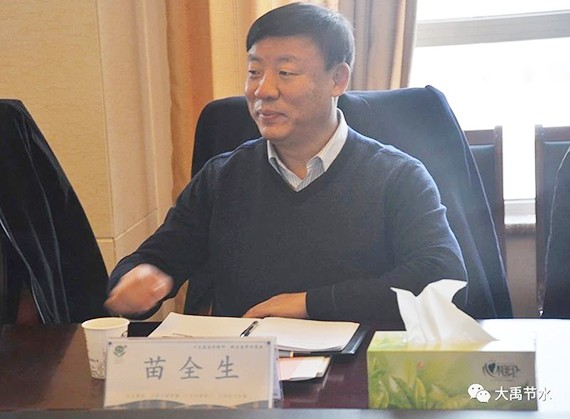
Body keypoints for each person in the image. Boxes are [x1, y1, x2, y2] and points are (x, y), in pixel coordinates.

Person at [105, 2, 467, 323]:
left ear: (338, 79)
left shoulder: (397, 176)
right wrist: (136, 280)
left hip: (356, 369)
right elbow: (156, 258)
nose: (263, 90)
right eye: (254, 72)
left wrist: (309, 304)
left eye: (286, 72)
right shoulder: (222, 178)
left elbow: (442, 279)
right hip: (247, 368)